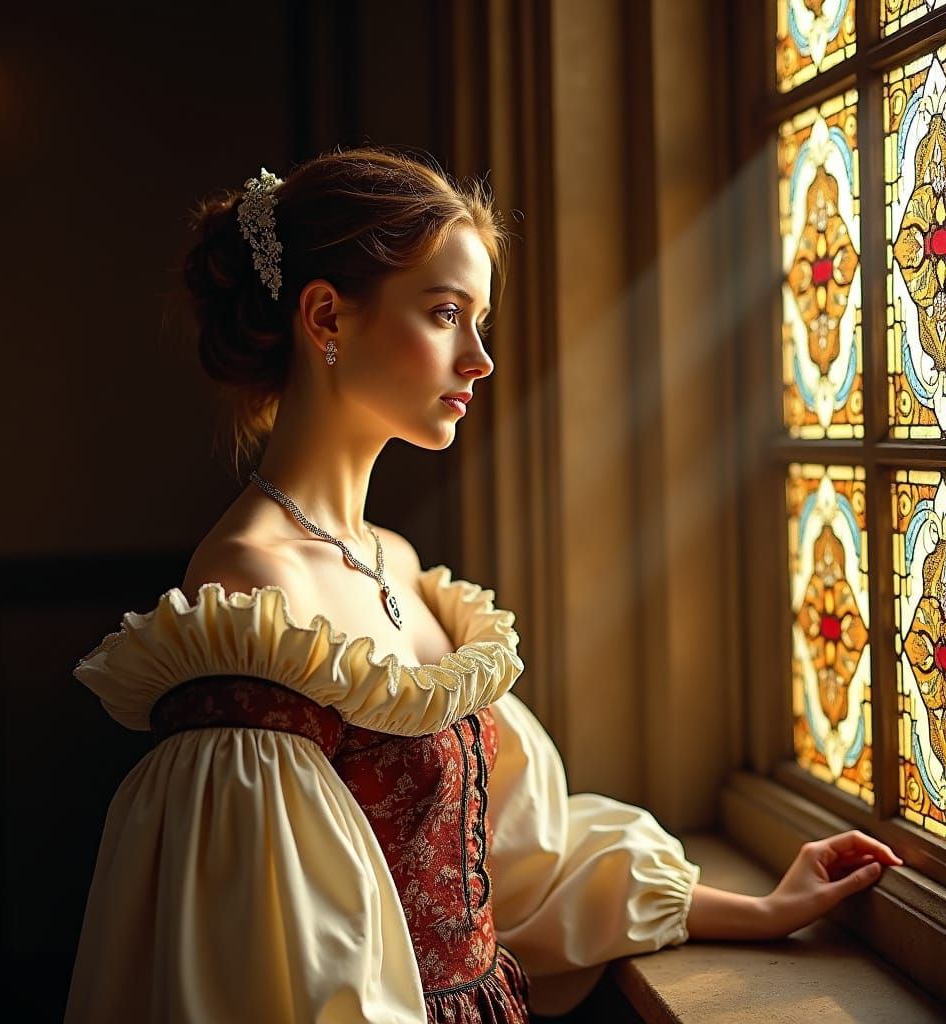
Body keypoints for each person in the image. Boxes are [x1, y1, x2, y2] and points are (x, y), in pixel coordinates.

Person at [63, 146, 904, 1023]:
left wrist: (760, 910)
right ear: (325, 318)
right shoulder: (248, 593)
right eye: (444, 314)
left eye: (480, 322)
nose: (479, 360)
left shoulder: (395, 560)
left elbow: (514, 859)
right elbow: (281, 974)